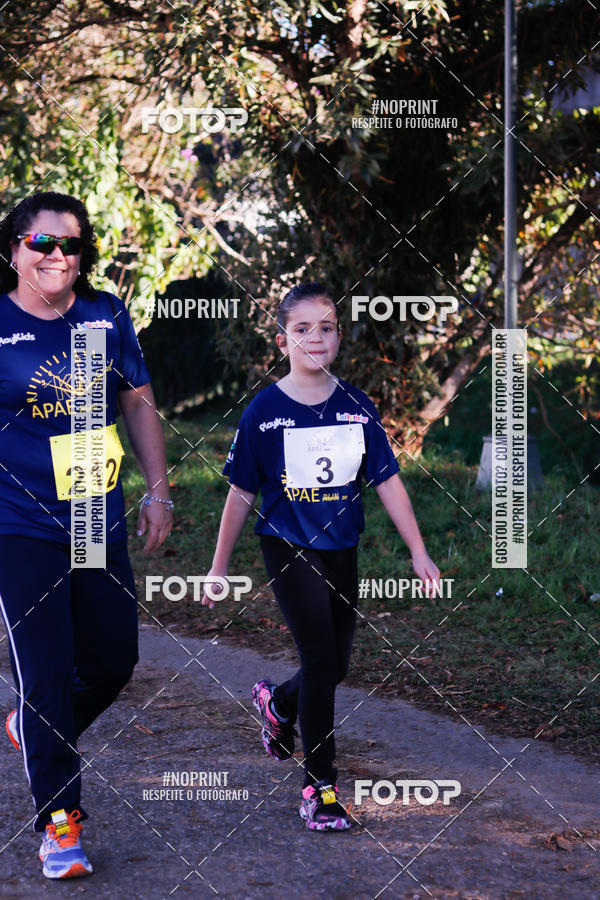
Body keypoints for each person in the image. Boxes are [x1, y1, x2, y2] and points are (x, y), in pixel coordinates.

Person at [202, 282, 440, 831]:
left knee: (334, 666)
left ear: (339, 337)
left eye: (326, 328)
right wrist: (219, 567)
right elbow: (240, 493)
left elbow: (387, 481)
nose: (315, 337)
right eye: (302, 328)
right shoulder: (263, 412)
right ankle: (320, 788)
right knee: (318, 660)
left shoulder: (357, 406)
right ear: (282, 339)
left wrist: (418, 550)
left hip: (342, 547)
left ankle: (279, 704)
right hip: (288, 544)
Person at [0, 192, 173, 878]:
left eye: (70, 244)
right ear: (14, 249)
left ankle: (34, 726)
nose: (57, 255)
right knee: (45, 672)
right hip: (18, 524)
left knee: (111, 661)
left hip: (92, 514)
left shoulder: (103, 315)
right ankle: (59, 824)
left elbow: (137, 399)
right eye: (41, 243)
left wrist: (158, 489)